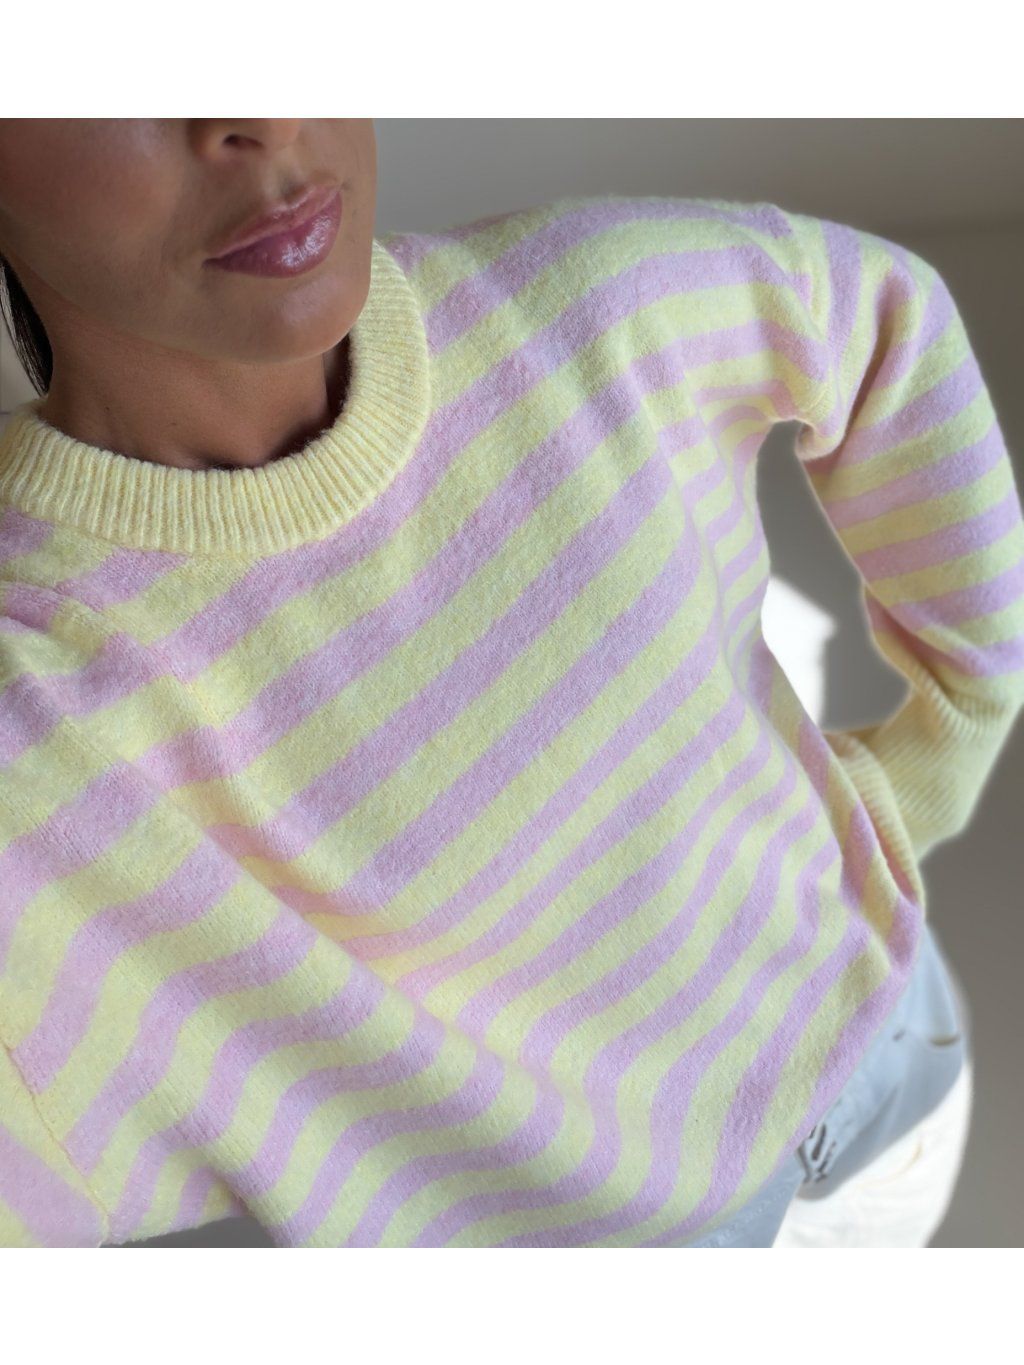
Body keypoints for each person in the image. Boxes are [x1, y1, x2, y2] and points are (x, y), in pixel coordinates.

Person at [0, 120, 1020, 1249]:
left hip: (892, 1049)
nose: (259, 115)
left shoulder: (595, 308)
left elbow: (887, 324)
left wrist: (935, 756)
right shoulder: (35, 711)